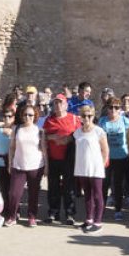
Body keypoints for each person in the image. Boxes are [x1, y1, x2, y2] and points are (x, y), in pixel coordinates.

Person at [42, 94, 80, 224]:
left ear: (66, 105)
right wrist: (52, 138)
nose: (58, 105)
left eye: (61, 102)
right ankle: (53, 212)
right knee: (53, 187)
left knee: (69, 188)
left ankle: (70, 214)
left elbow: (80, 136)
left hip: (69, 159)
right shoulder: (49, 120)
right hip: (53, 158)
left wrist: (68, 139)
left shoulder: (74, 119)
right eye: (56, 103)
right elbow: (43, 137)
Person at [7, 104, 46, 226]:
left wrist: (47, 167)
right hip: (18, 165)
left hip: (36, 165)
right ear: (22, 115)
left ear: (35, 116)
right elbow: (12, 148)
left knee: (33, 193)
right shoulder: (17, 129)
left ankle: (32, 217)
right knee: (14, 193)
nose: (28, 117)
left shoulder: (39, 130)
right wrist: (10, 163)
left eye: (30, 115)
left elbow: (44, 149)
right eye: (25, 114)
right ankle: (12, 216)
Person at [73, 104, 110, 233]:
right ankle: (89, 219)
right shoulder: (77, 132)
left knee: (98, 195)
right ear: (81, 118)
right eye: (84, 116)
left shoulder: (99, 131)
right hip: (82, 168)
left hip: (96, 168)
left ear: (93, 116)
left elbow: (105, 150)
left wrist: (102, 165)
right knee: (87, 195)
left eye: (89, 116)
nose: (87, 118)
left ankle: (98, 222)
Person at [98, 97, 129, 221]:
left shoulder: (125, 120)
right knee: (104, 184)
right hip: (106, 157)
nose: (113, 110)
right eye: (111, 107)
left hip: (121, 156)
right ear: (107, 108)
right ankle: (101, 209)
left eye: (116, 107)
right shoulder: (102, 121)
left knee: (118, 185)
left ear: (120, 109)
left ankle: (118, 210)